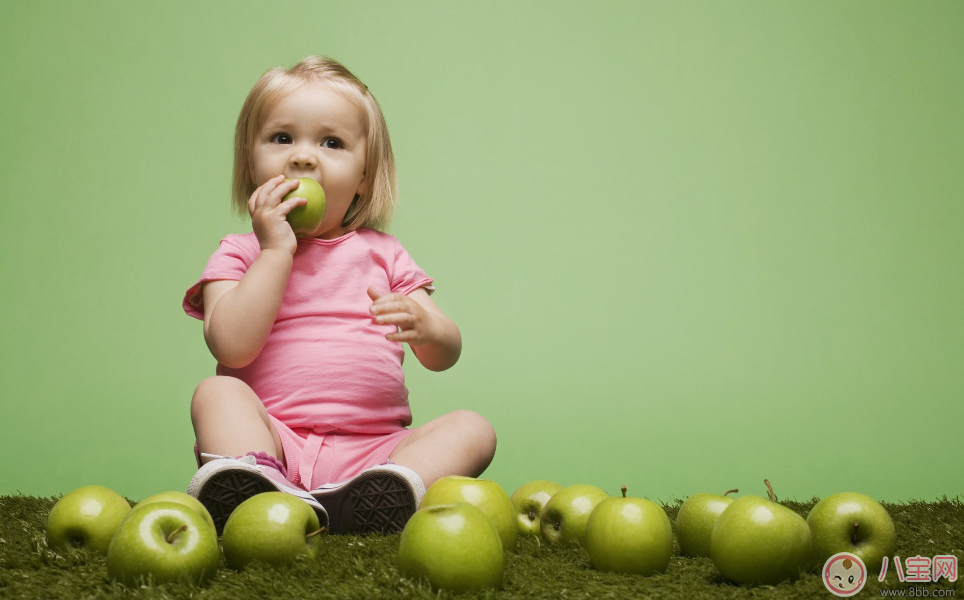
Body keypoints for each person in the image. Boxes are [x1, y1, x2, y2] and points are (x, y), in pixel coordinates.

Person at [181, 56, 496, 535]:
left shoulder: (384, 254)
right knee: (216, 392)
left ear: (365, 177)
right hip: (274, 442)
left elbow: (444, 354)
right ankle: (258, 486)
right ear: (250, 162)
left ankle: (390, 490)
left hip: (377, 451)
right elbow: (231, 346)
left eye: (332, 142)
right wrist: (275, 251)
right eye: (282, 138)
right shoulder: (241, 253)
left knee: (474, 429)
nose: (303, 157)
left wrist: (427, 327)